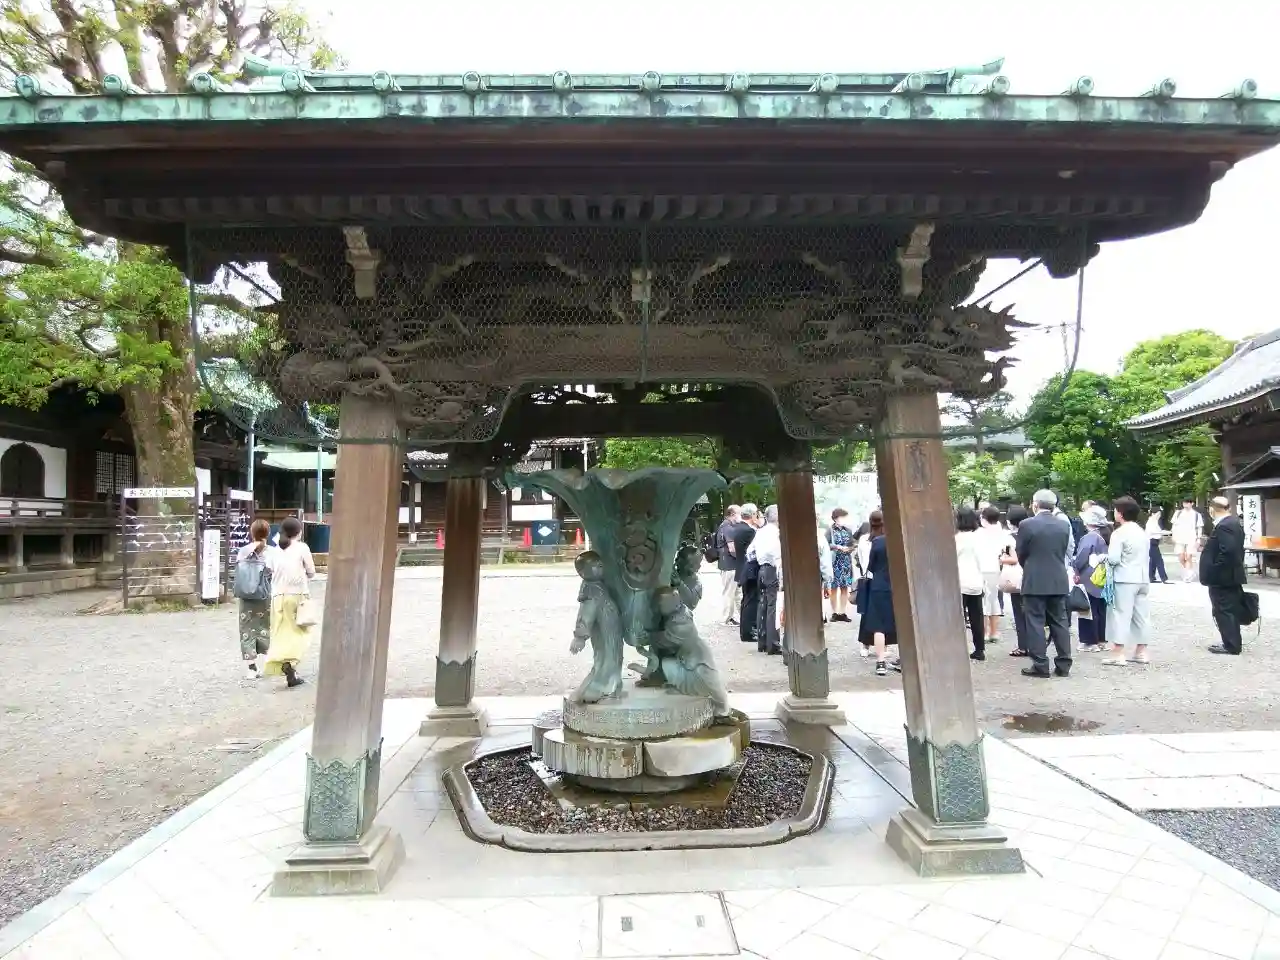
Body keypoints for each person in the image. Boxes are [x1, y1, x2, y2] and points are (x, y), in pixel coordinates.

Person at [1016, 489, 1072, 679]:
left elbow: (1021, 552)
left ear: (1035, 504)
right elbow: (1064, 550)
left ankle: (1040, 664)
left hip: (1034, 579)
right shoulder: (1063, 525)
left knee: (1035, 622)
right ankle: (1064, 664)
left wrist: (1029, 567)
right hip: (1058, 578)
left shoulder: (1027, 524)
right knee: (1060, 621)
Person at [263, 516, 315, 688]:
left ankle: (286, 665)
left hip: (277, 597)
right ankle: (291, 663)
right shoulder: (302, 548)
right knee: (300, 632)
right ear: (298, 532)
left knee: (281, 632)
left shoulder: (272, 550)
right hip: (297, 596)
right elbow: (311, 572)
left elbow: (269, 570)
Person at [1102, 496, 1152, 667]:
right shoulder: (1141, 532)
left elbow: (1114, 559)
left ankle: (1118, 653)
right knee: (1141, 616)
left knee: (1119, 615)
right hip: (1142, 578)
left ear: (1121, 513)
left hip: (1124, 578)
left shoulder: (1119, 533)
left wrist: (1102, 558)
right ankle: (1141, 651)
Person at [1202, 496, 1248, 655]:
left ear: (1211, 510)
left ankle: (1231, 645)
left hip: (1224, 577)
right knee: (1227, 609)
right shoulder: (1233, 523)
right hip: (1230, 575)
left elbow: (1228, 551)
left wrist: (1215, 569)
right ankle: (1231, 641)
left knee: (1224, 610)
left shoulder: (1224, 526)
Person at [235, 518, 274, 679]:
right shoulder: (272, 552)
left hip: (246, 596)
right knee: (267, 626)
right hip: (265, 595)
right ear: (268, 533)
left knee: (247, 629)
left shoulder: (243, 551)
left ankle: (251, 668)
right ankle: (269, 663)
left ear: (252, 533)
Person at [859, 510, 896, 677]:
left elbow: (871, 566)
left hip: (879, 586)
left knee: (879, 625)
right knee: (903, 623)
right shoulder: (901, 540)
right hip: (898, 586)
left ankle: (880, 662)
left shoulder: (877, 542)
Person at [1073, 505, 1110, 651]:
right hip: (1102, 576)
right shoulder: (1105, 535)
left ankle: (1089, 642)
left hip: (1089, 577)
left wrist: (1075, 570)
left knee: (1087, 609)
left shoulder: (1089, 537)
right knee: (1100, 609)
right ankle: (1101, 640)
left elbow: (1081, 557)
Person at [748, 504, 783, 655]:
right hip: (772, 569)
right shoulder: (775, 533)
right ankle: (773, 644)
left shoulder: (760, 532)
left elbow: (750, 552)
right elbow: (775, 553)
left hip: (761, 569)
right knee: (772, 607)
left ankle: (762, 642)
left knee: (762, 605)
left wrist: (760, 560)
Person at [977, 505, 1013, 645]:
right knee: (994, 600)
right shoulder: (1003, 533)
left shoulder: (979, 533)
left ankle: (985, 632)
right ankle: (994, 632)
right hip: (997, 569)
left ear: (983, 518)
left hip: (981, 569)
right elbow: (1008, 550)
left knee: (983, 601)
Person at [955, 506, 987, 661]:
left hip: (959, 582)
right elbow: (983, 561)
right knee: (977, 617)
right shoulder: (979, 538)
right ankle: (979, 649)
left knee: (958, 618)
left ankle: (958, 649)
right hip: (976, 581)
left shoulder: (955, 539)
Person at [1002, 505, 1032, 657]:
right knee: (1031, 612)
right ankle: (1034, 644)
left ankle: (1023, 646)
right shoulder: (1031, 533)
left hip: (1016, 578)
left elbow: (1012, 558)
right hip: (1031, 575)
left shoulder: (1009, 538)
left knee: (1019, 612)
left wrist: (1001, 559)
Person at [732, 503, 760, 645]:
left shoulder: (738, 528)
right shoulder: (749, 531)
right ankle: (749, 632)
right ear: (753, 514)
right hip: (749, 570)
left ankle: (746, 631)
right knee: (751, 602)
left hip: (741, 568)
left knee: (746, 601)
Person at [826, 508, 855, 622]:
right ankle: (834, 612)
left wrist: (849, 549)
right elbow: (826, 544)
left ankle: (842, 612)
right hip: (835, 562)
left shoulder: (848, 530)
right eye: (842, 517)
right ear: (835, 518)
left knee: (844, 587)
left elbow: (852, 544)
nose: (844, 519)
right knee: (834, 588)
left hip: (846, 562)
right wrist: (837, 547)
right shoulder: (830, 531)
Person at [715, 505, 742, 624]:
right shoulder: (728, 528)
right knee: (730, 593)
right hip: (730, 565)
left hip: (727, 564)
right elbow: (732, 548)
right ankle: (727, 618)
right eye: (739, 513)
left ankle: (740, 616)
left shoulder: (724, 526)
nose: (740, 516)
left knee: (735, 592)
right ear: (733, 514)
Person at [1172, 499, 1204, 583]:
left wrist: (1198, 539)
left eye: (1187, 503)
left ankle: (1188, 575)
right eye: (1184, 503)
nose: (1185, 504)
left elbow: (1199, 527)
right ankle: (1189, 572)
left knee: (1189, 556)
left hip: (1191, 537)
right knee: (1181, 556)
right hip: (1180, 537)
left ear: (1192, 503)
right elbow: (1174, 525)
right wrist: (1173, 535)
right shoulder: (1178, 513)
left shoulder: (1196, 515)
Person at [1146, 507, 1170, 584]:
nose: (1159, 515)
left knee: (1153, 561)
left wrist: (1168, 532)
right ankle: (1164, 578)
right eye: (1158, 514)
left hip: (1154, 542)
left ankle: (1151, 577)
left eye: (1160, 514)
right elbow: (1153, 532)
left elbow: (1160, 531)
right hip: (1151, 541)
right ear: (1153, 514)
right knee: (1159, 560)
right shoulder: (1150, 521)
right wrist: (1164, 532)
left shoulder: (1155, 521)